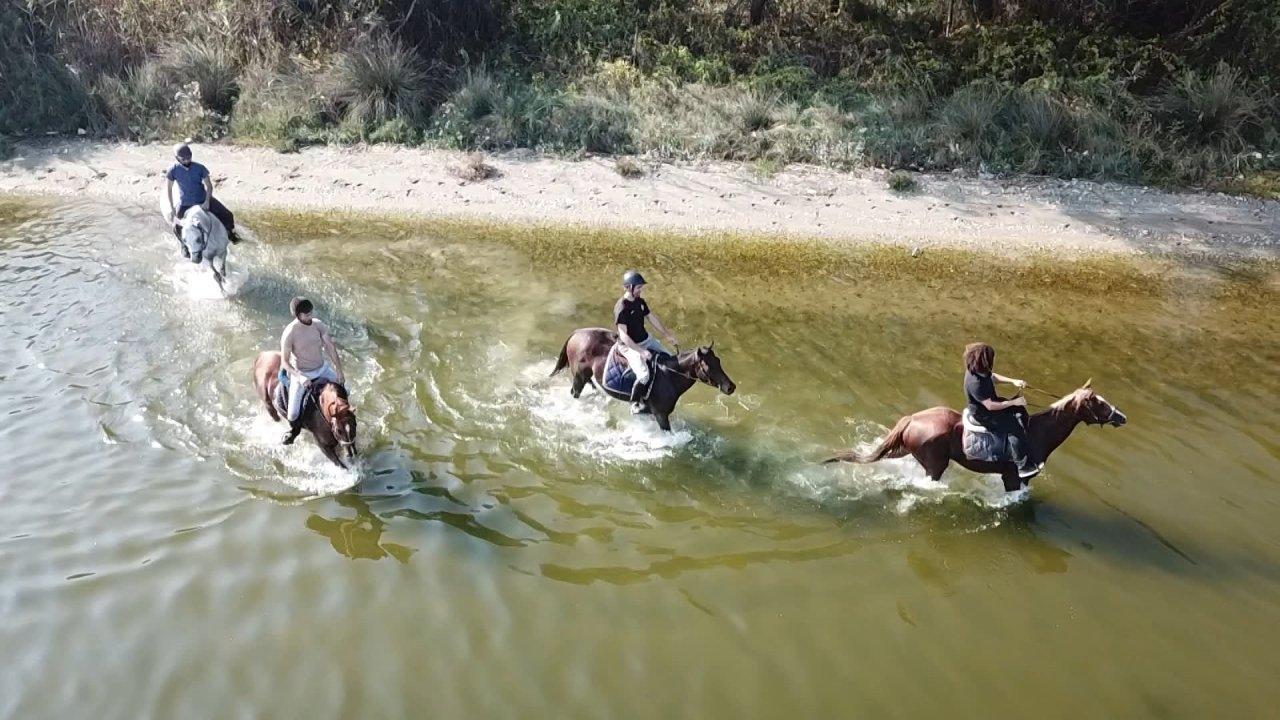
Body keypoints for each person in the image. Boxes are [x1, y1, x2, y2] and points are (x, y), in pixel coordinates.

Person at [963, 342, 1042, 479]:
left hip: (990, 405)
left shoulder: (979, 370)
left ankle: (1022, 444)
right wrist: (1013, 402)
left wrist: (1013, 381)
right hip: (985, 414)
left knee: (1019, 410)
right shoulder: (975, 383)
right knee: (1014, 428)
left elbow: (992, 377)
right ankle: (1022, 467)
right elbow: (990, 406)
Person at [280, 297, 344, 445]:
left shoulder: (318, 325)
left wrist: (339, 371)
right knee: (293, 413)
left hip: (322, 368)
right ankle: (294, 432)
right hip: (301, 373)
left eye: (311, 313)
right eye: (307, 314)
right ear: (298, 315)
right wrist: (300, 377)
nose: (310, 316)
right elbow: (284, 362)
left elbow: (330, 347)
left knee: (347, 390)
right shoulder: (289, 333)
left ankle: (343, 423)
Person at [614, 270, 679, 413]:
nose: (640, 290)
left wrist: (667, 335)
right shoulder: (621, 307)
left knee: (669, 358)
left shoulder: (640, 302)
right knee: (644, 375)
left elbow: (652, 318)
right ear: (629, 287)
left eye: (640, 287)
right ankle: (635, 403)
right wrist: (641, 351)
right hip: (629, 346)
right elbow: (623, 335)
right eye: (638, 288)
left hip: (646, 339)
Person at [164, 143, 239, 255]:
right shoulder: (172, 170)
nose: (186, 160)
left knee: (228, 215)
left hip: (202, 199)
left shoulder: (200, 168)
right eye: (183, 159)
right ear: (177, 158)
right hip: (185, 203)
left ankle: (231, 234)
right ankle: (184, 245)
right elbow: (168, 189)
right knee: (176, 226)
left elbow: (209, 186)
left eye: (189, 157)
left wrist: (207, 201)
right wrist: (172, 208)